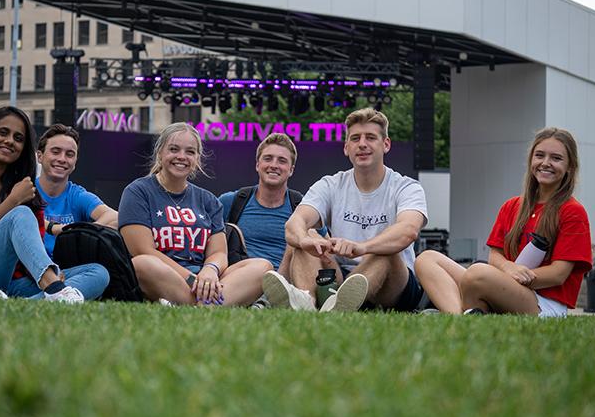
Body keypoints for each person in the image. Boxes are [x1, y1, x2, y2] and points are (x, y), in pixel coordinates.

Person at [0, 106, 109, 303]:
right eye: (3, 132)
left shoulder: (26, 189)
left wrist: (50, 268)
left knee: (98, 272)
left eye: (18, 138)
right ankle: (55, 289)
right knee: (20, 213)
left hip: (13, 283)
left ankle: (29, 303)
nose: (9, 141)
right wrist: (12, 201)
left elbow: (32, 248)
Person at [414, 127, 592, 316]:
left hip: (544, 304)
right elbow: (495, 255)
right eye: (539, 155)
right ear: (531, 160)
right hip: (504, 283)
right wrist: (508, 269)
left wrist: (511, 278)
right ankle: (461, 316)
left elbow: (558, 274)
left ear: (570, 167)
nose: (545, 163)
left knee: (477, 274)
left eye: (556, 158)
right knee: (427, 259)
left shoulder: (573, 211)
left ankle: (464, 313)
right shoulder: (512, 206)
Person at [264, 108, 428, 312]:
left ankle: (336, 304)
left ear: (386, 145)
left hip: (393, 284)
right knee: (306, 236)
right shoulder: (331, 184)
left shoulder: (406, 186)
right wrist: (306, 240)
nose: (362, 144)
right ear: (346, 147)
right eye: (355, 138)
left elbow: (408, 230)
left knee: (387, 251)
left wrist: (362, 247)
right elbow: (294, 223)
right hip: (343, 278)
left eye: (370, 137)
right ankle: (307, 301)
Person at [118, 122, 272, 306]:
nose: (181, 157)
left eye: (190, 152)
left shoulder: (208, 200)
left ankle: (196, 304)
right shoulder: (138, 192)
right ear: (160, 153)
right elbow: (142, 250)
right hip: (165, 276)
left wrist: (210, 270)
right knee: (143, 263)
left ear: (198, 158)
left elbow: (218, 253)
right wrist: (193, 280)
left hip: (205, 276)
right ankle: (210, 304)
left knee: (263, 267)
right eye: (174, 149)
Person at [219, 133, 324, 277]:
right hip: (242, 282)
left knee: (309, 235)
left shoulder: (304, 207)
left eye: (282, 161)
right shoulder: (231, 201)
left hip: (289, 283)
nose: (274, 165)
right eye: (268, 159)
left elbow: (325, 250)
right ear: (257, 165)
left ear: (291, 170)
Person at [35, 124, 118, 257]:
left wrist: (78, 233)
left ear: (75, 161)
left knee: (100, 272)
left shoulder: (77, 195)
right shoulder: (27, 190)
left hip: (68, 271)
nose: (62, 159)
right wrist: (56, 229)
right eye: (55, 152)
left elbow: (115, 217)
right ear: (40, 156)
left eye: (69, 154)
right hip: (31, 270)